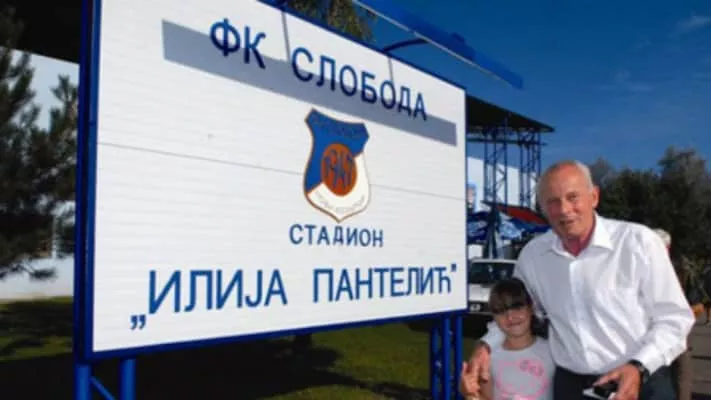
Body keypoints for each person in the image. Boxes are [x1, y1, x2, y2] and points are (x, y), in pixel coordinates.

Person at [459, 160, 695, 400]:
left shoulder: (638, 243)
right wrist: (485, 346)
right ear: (542, 209)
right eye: (553, 202)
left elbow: (675, 319)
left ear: (594, 197)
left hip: (641, 382)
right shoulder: (533, 257)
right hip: (572, 388)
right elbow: (514, 309)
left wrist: (639, 367)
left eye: (573, 197)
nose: (564, 210)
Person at [477, 277, 555, 400]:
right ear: (493, 317)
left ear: (530, 308)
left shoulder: (552, 351)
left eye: (517, 307)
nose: (510, 317)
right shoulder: (489, 358)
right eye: (501, 311)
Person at [653, 228, 692, 400]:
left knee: (679, 366)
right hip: (667, 323)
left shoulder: (677, 267)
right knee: (679, 367)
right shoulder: (679, 266)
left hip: (671, 323)